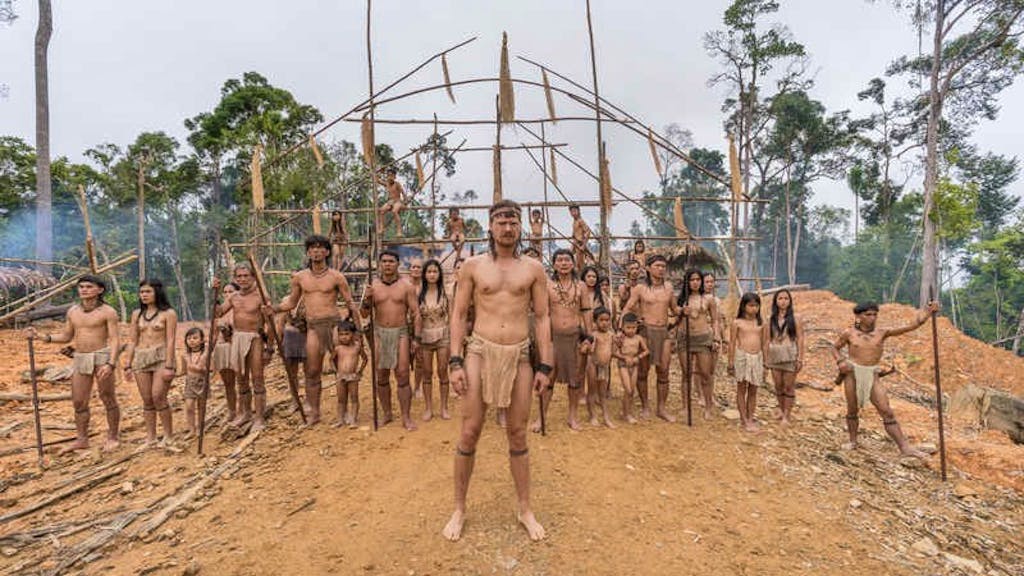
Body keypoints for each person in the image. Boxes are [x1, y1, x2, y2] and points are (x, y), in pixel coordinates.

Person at [442, 200, 551, 542]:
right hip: (479, 350)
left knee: (517, 432)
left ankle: (525, 509)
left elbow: (543, 317)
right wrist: (455, 360)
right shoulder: (473, 267)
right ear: (490, 226)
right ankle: (459, 508)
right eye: (501, 221)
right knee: (470, 430)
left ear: (519, 228)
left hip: (518, 353)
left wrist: (545, 365)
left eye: (513, 222)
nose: (507, 228)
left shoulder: (533, 268)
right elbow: (458, 315)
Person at [26, 275, 121, 453]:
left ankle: (113, 436)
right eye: (81, 287)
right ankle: (82, 438)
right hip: (81, 357)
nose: (84, 290)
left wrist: (111, 364)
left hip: (102, 357)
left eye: (88, 286)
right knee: (78, 401)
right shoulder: (73, 311)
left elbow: (115, 340)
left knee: (107, 397)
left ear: (100, 290)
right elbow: (66, 336)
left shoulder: (108, 312)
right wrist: (42, 337)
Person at [831, 301, 938, 457]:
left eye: (875, 314)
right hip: (852, 374)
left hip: (872, 375)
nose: (872, 318)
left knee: (886, 411)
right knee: (852, 410)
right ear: (858, 316)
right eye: (868, 315)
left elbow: (911, 326)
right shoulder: (849, 334)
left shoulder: (882, 332)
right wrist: (840, 361)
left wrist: (928, 312)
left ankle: (904, 447)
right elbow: (834, 348)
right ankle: (853, 441)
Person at [272, 235, 360, 426]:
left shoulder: (337, 277)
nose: (316, 251)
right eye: (312, 248)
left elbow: (350, 303)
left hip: (335, 325)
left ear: (327, 252)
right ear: (308, 252)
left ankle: (345, 412)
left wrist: (358, 330)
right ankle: (314, 411)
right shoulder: (300, 278)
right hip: (313, 327)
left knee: (344, 370)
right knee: (312, 371)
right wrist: (274, 309)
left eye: (320, 248)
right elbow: (292, 302)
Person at [360, 249, 421, 431]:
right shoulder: (372, 286)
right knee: (381, 375)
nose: (387, 264)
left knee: (402, 374)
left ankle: (406, 416)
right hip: (379, 332)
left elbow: (416, 313)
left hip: (401, 332)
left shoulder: (406, 286)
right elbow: (364, 313)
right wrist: (367, 299)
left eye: (391, 261)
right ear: (380, 264)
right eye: (384, 261)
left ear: (398, 264)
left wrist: (416, 338)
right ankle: (387, 413)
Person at [214, 264, 271, 431]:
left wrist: (270, 348)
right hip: (237, 338)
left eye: (246, 275)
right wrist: (215, 293)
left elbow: (270, 324)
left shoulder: (261, 296)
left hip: (255, 338)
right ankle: (245, 413)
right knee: (241, 378)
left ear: (253, 277)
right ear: (234, 278)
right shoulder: (233, 297)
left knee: (258, 378)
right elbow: (218, 312)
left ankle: (259, 417)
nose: (243, 279)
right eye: (239, 276)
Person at [621, 255, 678, 421]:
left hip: (663, 332)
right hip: (645, 332)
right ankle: (645, 405)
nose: (661, 269)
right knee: (643, 371)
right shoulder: (640, 288)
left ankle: (661, 408)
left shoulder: (668, 287)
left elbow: (674, 310)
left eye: (663, 266)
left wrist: (683, 311)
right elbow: (627, 308)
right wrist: (621, 329)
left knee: (664, 371)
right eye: (657, 265)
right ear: (648, 268)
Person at [535, 248, 586, 431]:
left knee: (575, 380)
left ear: (573, 263)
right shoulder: (547, 286)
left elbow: (586, 312)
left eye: (567, 260)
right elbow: (542, 314)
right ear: (554, 264)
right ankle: (541, 418)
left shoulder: (581, 286)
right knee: (548, 377)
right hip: (553, 338)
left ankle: (572, 416)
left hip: (574, 337)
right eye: (560, 260)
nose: (564, 263)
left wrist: (587, 337)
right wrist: (544, 340)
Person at [124, 279, 178, 446]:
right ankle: (151, 437)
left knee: (158, 396)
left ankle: (168, 435)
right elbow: (132, 340)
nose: (144, 295)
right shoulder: (136, 314)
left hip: (161, 356)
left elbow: (170, 340)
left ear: (157, 293)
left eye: (148, 292)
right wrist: (127, 363)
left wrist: (169, 365)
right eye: (141, 292)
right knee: (147, 399)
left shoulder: (168, 313)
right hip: (142, 357)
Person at [676, 269, 720, 420]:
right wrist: (682, 311)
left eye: (698, 279)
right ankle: (685, 407)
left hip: (703, 338)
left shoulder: (709, 299)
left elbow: (715, 320)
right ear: (687, 282)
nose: (695, 282)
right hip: (685, 338)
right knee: (686, 374)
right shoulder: (681, 299)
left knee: (705, 375)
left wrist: (716, 338)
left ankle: (708, 407)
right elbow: (673, 317)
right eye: (692, 279)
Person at [417, 259, 452, 421]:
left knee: (443, 371)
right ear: (424, 274)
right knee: (427, 373)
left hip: (443, 335)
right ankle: (428, 408)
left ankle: (444, 407)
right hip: (424, 336)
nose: (432, 275)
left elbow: (451, 317)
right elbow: (414, 317)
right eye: (429, 272)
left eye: (435, 271)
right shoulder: (418, 293)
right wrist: (415, 338)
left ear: (439, 274)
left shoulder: (446, 293)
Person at [728, 293, 767, 433]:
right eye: (750, 305)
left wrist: (766, 364)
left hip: (757, 357)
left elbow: (765, 343)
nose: (754, 308)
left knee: (753, 390)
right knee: (741, 388)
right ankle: (744, 419)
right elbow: (732, 343)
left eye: (756, 305)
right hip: (742, 356)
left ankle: (750, 417)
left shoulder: (761, 323)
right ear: (744, 306)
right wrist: (730, 362)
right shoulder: (737, 323)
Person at [766, 289, 805, 425]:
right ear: (775, 301)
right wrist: (765, 359)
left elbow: (800, 338)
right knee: (778, 385)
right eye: (780, 298)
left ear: (790, 301)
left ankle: (787, 415)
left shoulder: (796, 318)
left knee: (788, 386)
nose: (783, 301)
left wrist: (800, 358)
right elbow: (767, 339)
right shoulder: (770, 319)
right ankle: (782, 410)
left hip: (790, 354)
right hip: (775, 355)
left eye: (786, 298)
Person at [212, 282, 240, 424]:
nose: (228, 294)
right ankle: (231, 411)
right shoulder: (219, 312)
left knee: (242, 380)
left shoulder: (239, 309)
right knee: (228, 383)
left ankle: (243, 410)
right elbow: (214, 333)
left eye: (231, 291)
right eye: (226, 292)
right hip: (222, 348)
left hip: (235, 346)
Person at [612, 313, 648, 424]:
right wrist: (624, 357)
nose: (631, 330)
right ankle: (627, 414)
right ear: (622, 327)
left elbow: (646, 351)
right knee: (628, 389)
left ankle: (626, 412)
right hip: (623, 365)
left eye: (633, 328)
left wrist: (638, 357)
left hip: (635, 365)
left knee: (631, 391)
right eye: (628, 328)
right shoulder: (621, 339)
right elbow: (613, 352)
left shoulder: (639, 338)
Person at [333, 319, 368, 427]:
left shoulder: (357, 347)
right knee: (341, 399)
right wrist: (335, 371)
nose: (344, 337)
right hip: (341, 376)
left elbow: (365, 359)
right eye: (341, 334)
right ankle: (340, 419)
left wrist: (360, 372)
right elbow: (331, 359)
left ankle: (353, 419)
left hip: (352, 376)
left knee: (354, 398)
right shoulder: (338, 348)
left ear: (353, 334)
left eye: (347, 334)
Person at [585, 307, 615, 428]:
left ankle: (605, 416)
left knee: (602, 393)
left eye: (607, 320)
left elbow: (613, 351)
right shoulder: (594, 335)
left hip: (605, 366)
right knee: (592, 391)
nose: (605, 323)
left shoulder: (611, 335)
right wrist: (588, 345)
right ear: (595, 321)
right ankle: (592, 415)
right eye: (601, 320)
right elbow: (590, 351)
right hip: (593, 365)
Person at [178, 327, 209, 438]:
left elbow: (211, 369)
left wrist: (202, 369)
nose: (191, 340)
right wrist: (174, 374)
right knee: (189, 406)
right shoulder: (185, 355)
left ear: (201, 340)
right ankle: (192, 429)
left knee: (201, 406)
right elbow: (183, 371)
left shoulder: (206, 354)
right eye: (189, 338)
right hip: (190, 382)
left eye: (195, 338)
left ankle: (200, 427)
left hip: (202, 382)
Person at [279, 303, 307, 411]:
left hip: (307, 336)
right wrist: (280, 341)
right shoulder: (287, 300)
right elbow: (280, 324)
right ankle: (295, 400)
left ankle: (309, 401)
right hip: (290, 338)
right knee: (292, 373)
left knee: (308, 371)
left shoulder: (310, 298)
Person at [377, 167, 406, 236]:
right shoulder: (386, 184)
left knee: (394, 211)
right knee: (381, 211)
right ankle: (382, 229)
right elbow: (377, 180)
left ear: (394, 177)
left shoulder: (397, 184)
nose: (390, 177)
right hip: (390, 201)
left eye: (392, 176)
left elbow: (403, 193)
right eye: (388, 175)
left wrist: (405, 202)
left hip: (397, 201)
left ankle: (399, 231)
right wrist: (379, 172)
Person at [569, 204, 593, 272]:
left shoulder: (580, 221)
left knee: (580, 263)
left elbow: (588, 231)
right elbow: (576, 231)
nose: (573, 213)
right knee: (569, 255)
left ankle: (581, 277)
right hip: (575, 243)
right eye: (571, 212)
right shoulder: (574, 221)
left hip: (580, 243)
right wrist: (573, 234)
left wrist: (583, 245)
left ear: (578, 211)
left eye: (575, 211)